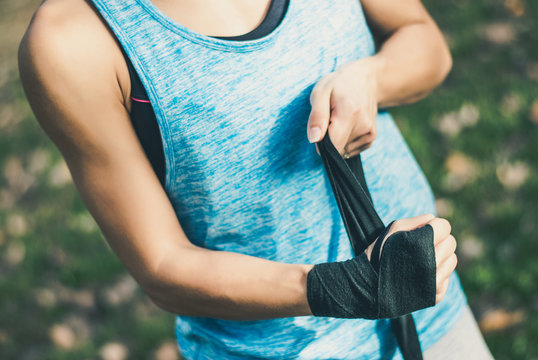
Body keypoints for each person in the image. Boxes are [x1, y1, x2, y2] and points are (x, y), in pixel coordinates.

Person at [17, 0, 494, 358]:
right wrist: (346, 288)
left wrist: (372, 78)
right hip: (275, 350)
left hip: (429, 304)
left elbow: (424, 41)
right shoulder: (73, 40)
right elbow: (161, 266)